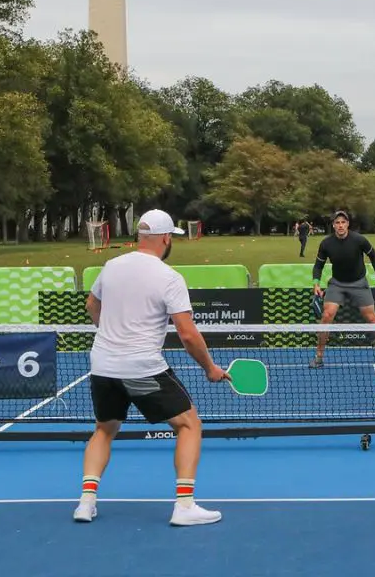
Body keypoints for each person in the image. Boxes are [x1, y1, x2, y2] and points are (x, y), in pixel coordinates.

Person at [73, 209, 229, 527]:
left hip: (103, 366)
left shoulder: (111, 266)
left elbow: (91, 304)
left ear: (140, 237)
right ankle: (184, 505)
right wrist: (210, 367)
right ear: (165, 238)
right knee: (189, 424)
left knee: (104, 429)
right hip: (142, 370)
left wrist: (109, 334)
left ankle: (86, 502)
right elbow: (187, 333)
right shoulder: (169, 277)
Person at [309, 210, 375, 368]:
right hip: (337, 284)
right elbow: (318, 265)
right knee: (326, 316)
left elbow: (374, 257)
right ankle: (319, 356)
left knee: (372, 319)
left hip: (359, 283)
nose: (340, 225)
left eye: (343, 222)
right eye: (337, 222)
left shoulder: (359, 240)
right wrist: (316, 283)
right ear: (333, 225)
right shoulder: (326, 243)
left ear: (348, 224)